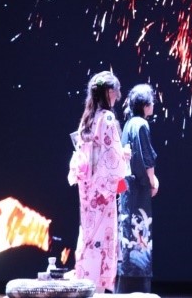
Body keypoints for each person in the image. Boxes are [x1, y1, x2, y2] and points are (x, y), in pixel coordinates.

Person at [67, 71, 130, 293]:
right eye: (116, 91)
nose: (118, 96)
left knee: (88, 235)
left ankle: (85, 282)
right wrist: (124, 155)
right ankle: (99, 288)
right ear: (109, 92)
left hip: (87, 190)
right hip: (103, 191)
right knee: (103, 236)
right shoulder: (107, 118)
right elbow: (112, 156)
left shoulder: (88, 119)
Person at [116, 83, 159, 293]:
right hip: (138, 189)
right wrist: (152, 180)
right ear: (145, 104)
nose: (154, 105)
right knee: (140, 235)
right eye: (152, 101)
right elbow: (146, 157)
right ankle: (139, 291)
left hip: (126, 190)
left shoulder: (128, 124)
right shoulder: (141, 124)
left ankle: (125, 290)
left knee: (128, 237)